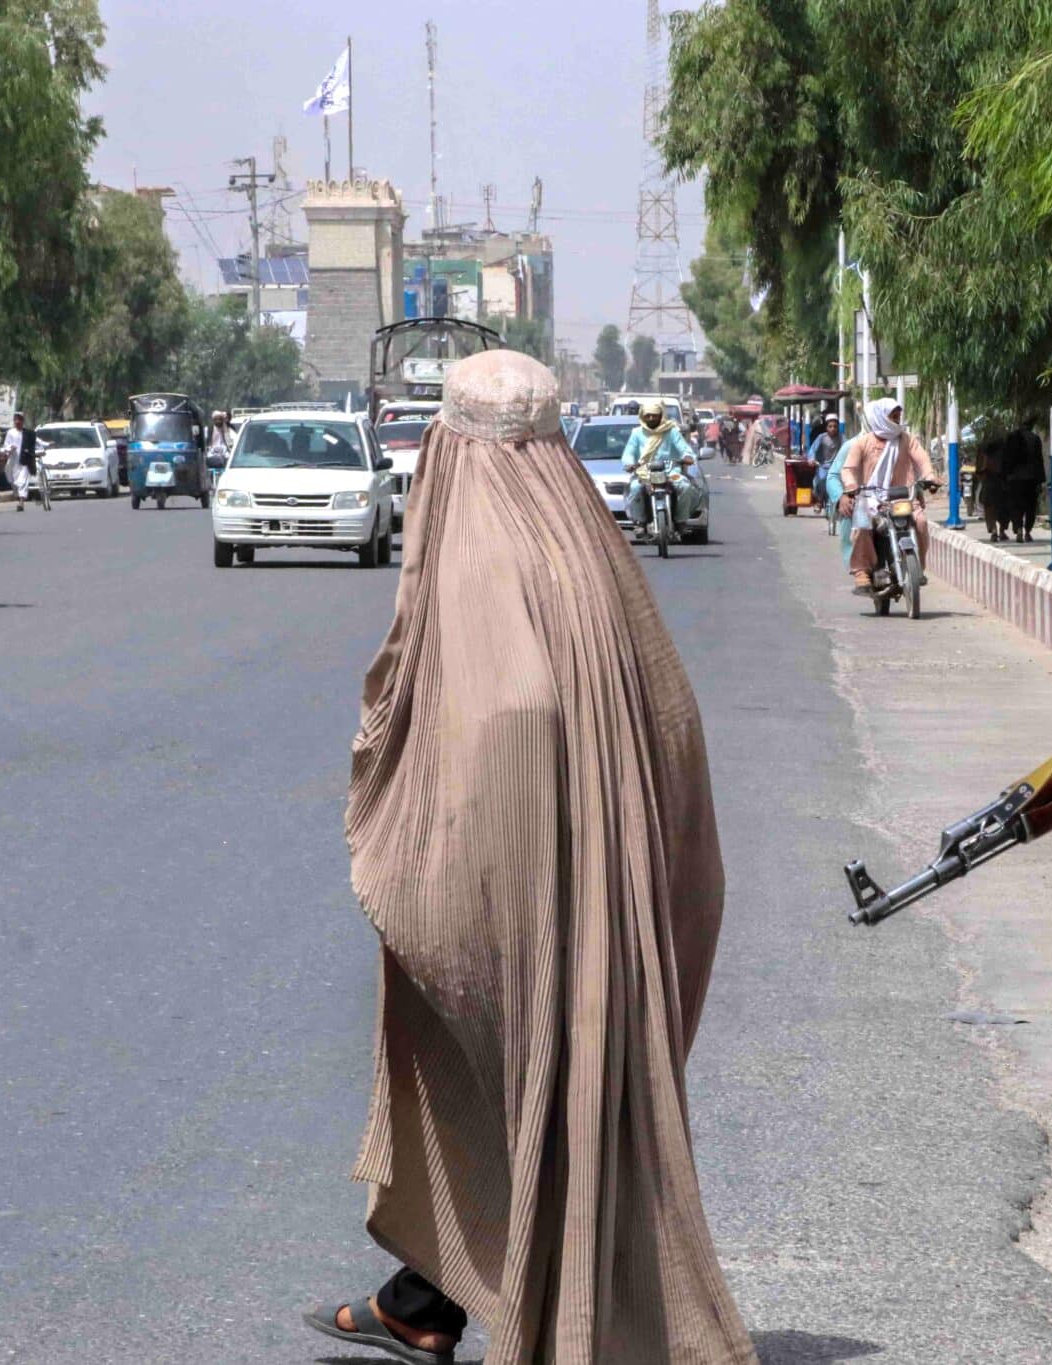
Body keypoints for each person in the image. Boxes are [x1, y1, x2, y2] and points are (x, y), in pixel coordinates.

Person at [308, 350, 755, 1365]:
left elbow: (495, 721)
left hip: (518, 884)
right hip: (613, 876)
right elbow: (671, 715)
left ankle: (478, 1305)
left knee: (517, 1067)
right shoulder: (591, 547)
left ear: (453, 444)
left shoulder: (474, 553)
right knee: (554, 1078)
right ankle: (427, 1297)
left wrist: (419, 856)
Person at [837, 396, 935, 593]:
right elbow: (848, 469)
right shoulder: (862, 443)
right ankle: (862, 571)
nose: (897, 420)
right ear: (882, 417)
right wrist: (851, 486)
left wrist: (930, 477)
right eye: (893, 416)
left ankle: (918, 568)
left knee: (921, 521)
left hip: (902, 497)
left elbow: (922, 460)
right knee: (863, 525)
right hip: (870, 498)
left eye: (899, 416)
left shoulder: (907, 440)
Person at [621, 397, 704, 538]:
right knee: (635, 488)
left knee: (685, 486)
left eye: (655, 415)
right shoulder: (636, 433)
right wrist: (629, 463)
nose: (651, 418)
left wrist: (688, 457)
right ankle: (640, 523)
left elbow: (684, 448)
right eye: (648, 415)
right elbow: (629, 452)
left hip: (670, 471)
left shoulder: (671, 432)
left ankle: (681, 521)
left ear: (661, 415)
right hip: (645, 472)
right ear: (643, 416)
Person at [1002, 420, 1045, 542]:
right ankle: (1027, 532)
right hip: (1031, 478)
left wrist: (1005, 477)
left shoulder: (1011, 438)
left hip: (1014, 478)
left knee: (1016, 505)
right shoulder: (1035, 439)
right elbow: (1039, 461)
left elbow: (1005, 459)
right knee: (1030, 506)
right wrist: (1040, 481)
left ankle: (1019, 529)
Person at [973, 430, 1011, 543]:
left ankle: (994, 530)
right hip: (1001, 482)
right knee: (1003, 508)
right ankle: (1002, 531)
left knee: (989, 508)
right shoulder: (1004, 450)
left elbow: (978, 468)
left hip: (988, 482)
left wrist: (981, 477)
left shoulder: (983, 449)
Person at [0, 413, 42, 510]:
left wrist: (47, 444)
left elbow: (38, 442)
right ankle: (19, 497)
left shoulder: (28, 433)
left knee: (22, 481)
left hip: (25, 461)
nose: (18, 422)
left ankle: (21, 502)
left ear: (23, 421)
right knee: (13, 480)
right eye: (16, 420)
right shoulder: (10, 433)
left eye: (20, 420)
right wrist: (10, 449)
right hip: (13, 461)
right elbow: (6, 445)